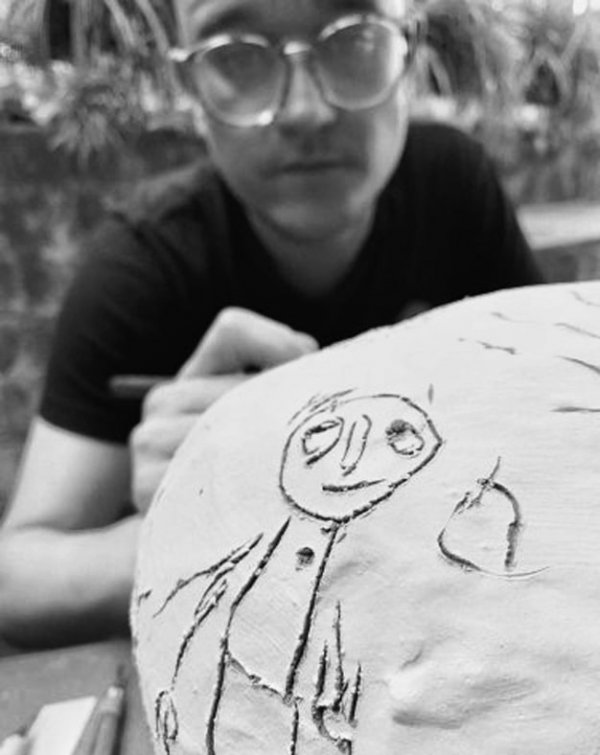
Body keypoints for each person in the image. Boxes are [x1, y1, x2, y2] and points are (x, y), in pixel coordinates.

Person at [0, 0, 543, 648]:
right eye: (236, 56)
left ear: (408, 47)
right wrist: (185, 531)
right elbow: (18, 579)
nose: (305, 110)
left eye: (354, 38)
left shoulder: (456, 189)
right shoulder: (141, 269)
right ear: (190, 87)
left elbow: (559, 417)